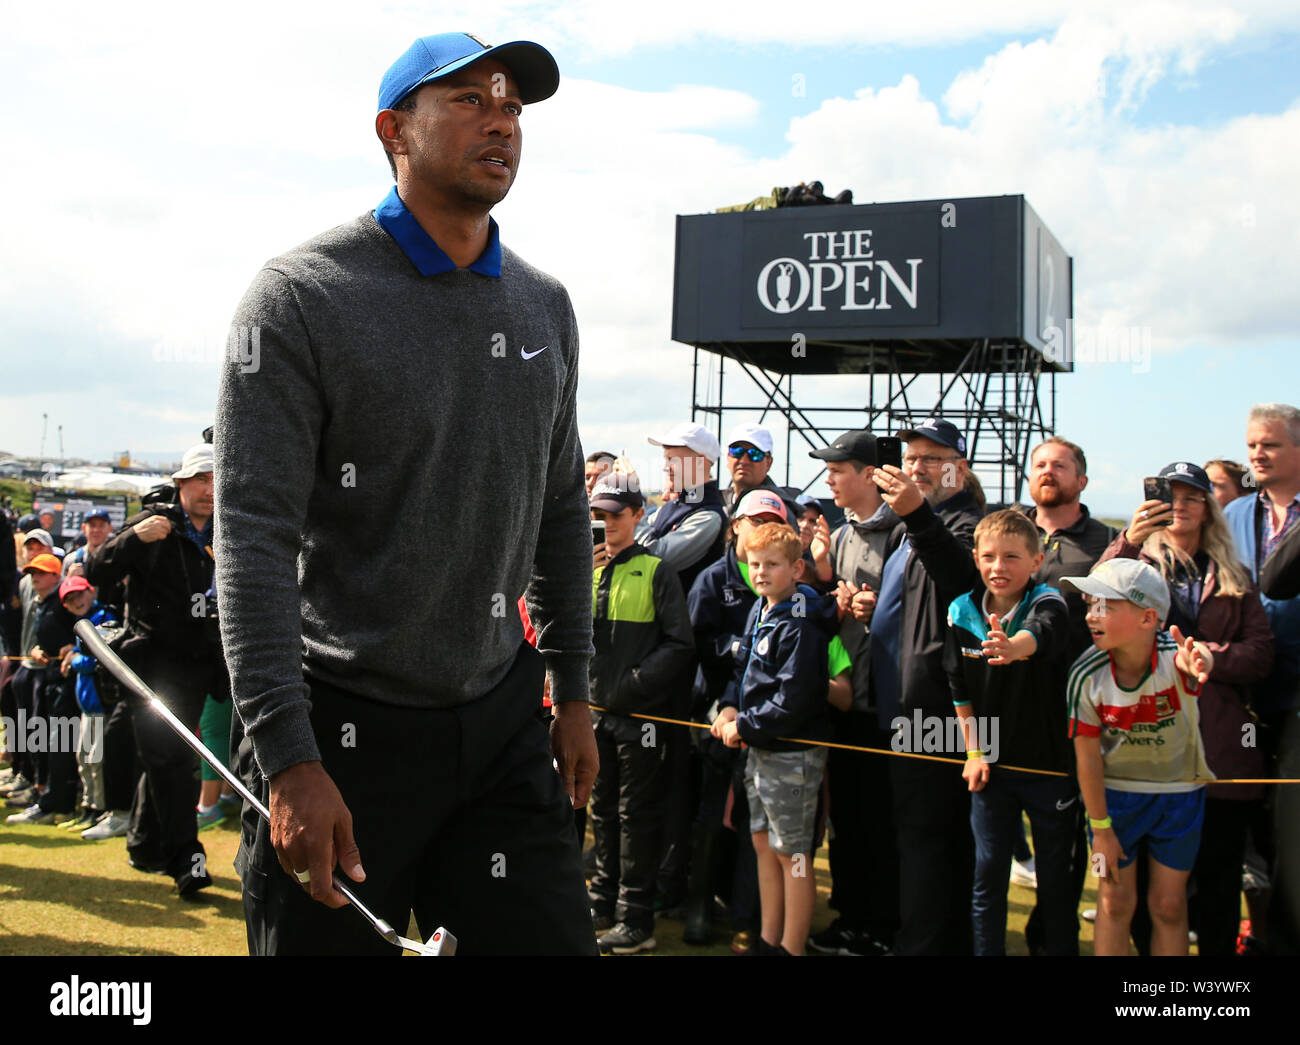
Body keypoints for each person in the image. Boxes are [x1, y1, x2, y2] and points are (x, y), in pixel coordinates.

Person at [214, 33, 597, 955]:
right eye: (467, 101)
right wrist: (289, 756)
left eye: (511, 107)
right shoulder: (301, 296)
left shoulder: (546, 306)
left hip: (505, 720)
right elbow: (253, 539)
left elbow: (560, 508)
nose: (501, 121)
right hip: (342, 727)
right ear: (395, 129)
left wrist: (575, 689)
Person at [1099, 461, 1272, 955]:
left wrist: (1209, 657)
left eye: (1192, 497)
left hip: (1219, 750)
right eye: (1168, 496)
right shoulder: (1136, 566)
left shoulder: (1235, 574)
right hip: (1144, 748)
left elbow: (1261, 652)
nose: (1179, 506)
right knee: (1149, 895)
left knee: (1217, 887)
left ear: (1208, 509)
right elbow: (1095, 609)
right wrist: (1129, 541)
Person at [85, 444, 226, 897]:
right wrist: (132, 539)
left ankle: (145, 845)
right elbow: (95, 570)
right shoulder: (153, 523)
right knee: (172, 758)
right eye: (200, 479)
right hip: (150, 664)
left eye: (215, 478)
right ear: (181, 483)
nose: (209, 489)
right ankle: (188, 860)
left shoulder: (230, 529)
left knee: (164, 757)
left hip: (201, 664)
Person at [1063, 558, 1216, 956]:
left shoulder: (1176, 656)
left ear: (1149, 618)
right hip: (1111, 801)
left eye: (1105, 607)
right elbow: (1088, 759)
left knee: (1168, 906)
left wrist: (1199, 661)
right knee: (1114, 902)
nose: (1091, 616)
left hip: (1181, 795)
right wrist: (1100, 830)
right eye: (1089, 605)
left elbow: (1196, 658)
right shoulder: (1085, 675)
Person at [870, 416, 982, 955]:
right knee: (912, 834)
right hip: (895, 706)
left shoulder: (966, 524)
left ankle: (927, 944)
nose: (917, 466)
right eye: (911, 457)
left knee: (932, 838)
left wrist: (916, 513)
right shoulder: (902, 526)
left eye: (932, 458)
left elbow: (963, 581)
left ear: (958, 469)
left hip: (940, 712)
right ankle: (915, 935)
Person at [945, 509, 1075, 955]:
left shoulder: (1048, 600)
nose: (999, 567)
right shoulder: (961, 609)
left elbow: (1043, 632)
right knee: (988, 878)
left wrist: (1011, 647)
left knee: (1056, 884)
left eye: (1012, 557)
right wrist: (973, 753)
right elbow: (959, 689)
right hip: (991, 770)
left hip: (1050, 768)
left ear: (1037, 561)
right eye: (989, 557)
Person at [712, 523, 833, 955]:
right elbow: (743, 672)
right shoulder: (760, 610)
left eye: (772, 565)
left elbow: (794, 696)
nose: (760, 573)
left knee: (793, 854)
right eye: (754, 564)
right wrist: (728, 707)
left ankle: (792, 946)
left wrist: (744, 725)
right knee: (762, 843)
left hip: (791, 754)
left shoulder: (802, 622)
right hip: (758, 751)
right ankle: (769, 938)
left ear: (797, 568)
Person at [586, 477, 694, 953]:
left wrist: (631, 687)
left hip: (642, 720)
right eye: (600, 514)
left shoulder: (657, 570)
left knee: (637, 817)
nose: (606, 523)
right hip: (594, 715)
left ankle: (637, 919)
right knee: (601, 811)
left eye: (615, 514)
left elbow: (679, 645)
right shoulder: (584, 568)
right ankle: (602, 901)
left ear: (636, 515)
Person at [805, 428, 900, 955]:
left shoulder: (906, 533)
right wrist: (830, 591)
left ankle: (881, 926)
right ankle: (851, 919)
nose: (829, 478)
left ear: (869, 475)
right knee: (847, 824)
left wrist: (876, 606)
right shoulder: (840, 536)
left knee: (881, 824)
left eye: (838, 470)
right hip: (846, 704)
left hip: (886, 709)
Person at [1021, 435, 1115, 951]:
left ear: (1082, 480)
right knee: (996, 840)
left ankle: (1053, 940)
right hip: (1006, 708)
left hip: (1075, 712)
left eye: (1060, 465)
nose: (1048, 471)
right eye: (1039, 464)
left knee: (1063, 844)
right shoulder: (1010, 532)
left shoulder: (1105, 540)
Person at [1224, 403, 1300, 953]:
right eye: (1252, 444)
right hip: (1240, 695)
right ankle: (1255, 934)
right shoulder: (1233, 515)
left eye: (1269, 444)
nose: (1257, 453)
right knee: (1244, 827)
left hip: (1297, 695)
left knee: (1292, 827)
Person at [721, 422, 801, 522]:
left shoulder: (777, 510)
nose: (744, 461)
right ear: (728, 457)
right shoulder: (714, 503)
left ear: (769, 462)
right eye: (737, 451)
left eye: (754, 454)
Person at [61, 508, 113, 578]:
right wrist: (69, 579)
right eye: (92, 525)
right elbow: (62, 588)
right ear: (84, 528)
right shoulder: (71, 560)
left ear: (110, 528)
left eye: (101, 525)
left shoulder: (117, 558)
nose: (96, 530)